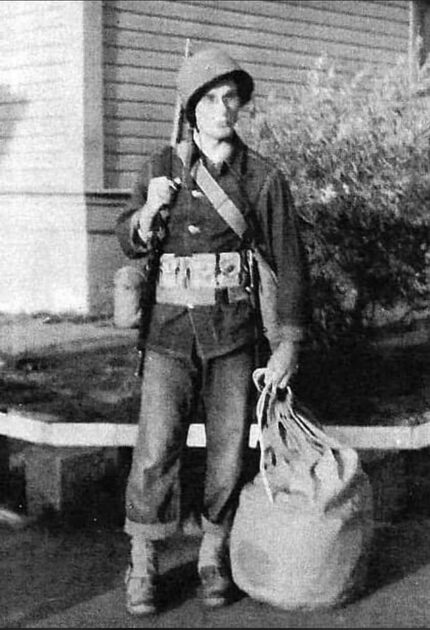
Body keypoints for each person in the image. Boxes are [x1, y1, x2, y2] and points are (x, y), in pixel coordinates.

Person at [115, 46, 310, 616]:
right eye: (212, 100)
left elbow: (290, 262)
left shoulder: (262, 177)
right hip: (169, 333)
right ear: (192, 108)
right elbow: (127, 241)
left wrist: (288, 341)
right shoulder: (159, 167)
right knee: (154, 450)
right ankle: (144, 562)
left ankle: (212, 555)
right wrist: (148, 211)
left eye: (233, 99)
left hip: (233, 332)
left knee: (228, 451)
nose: (225, 109)